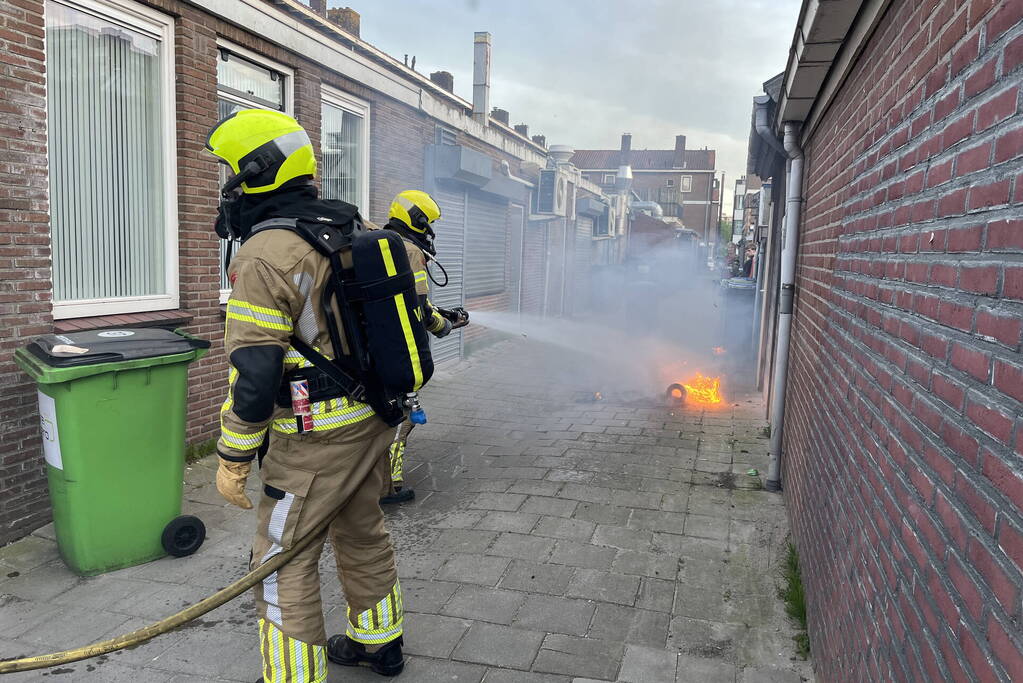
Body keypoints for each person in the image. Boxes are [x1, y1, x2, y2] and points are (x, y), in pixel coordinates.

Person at [207, 109, 426, 681]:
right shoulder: (347, 228)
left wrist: (232, 455)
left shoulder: (264, 254)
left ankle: (292, 675)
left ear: (257, 173)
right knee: (361, 529)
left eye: (228, 175)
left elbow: (254, 373)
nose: (224, 191)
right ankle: (379, 644)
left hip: (312, 435)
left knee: (281, 558)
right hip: (371, 420)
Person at [378, 190, 469, 505]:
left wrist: (437, 312)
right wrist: (444, 325)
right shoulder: (410, 250)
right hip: (399, 350)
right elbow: (418, 308)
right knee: (399, 422)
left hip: (376, 347)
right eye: (428, 223)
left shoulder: (380, 241)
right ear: (417, 220)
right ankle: (389, 487)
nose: (431, 229)